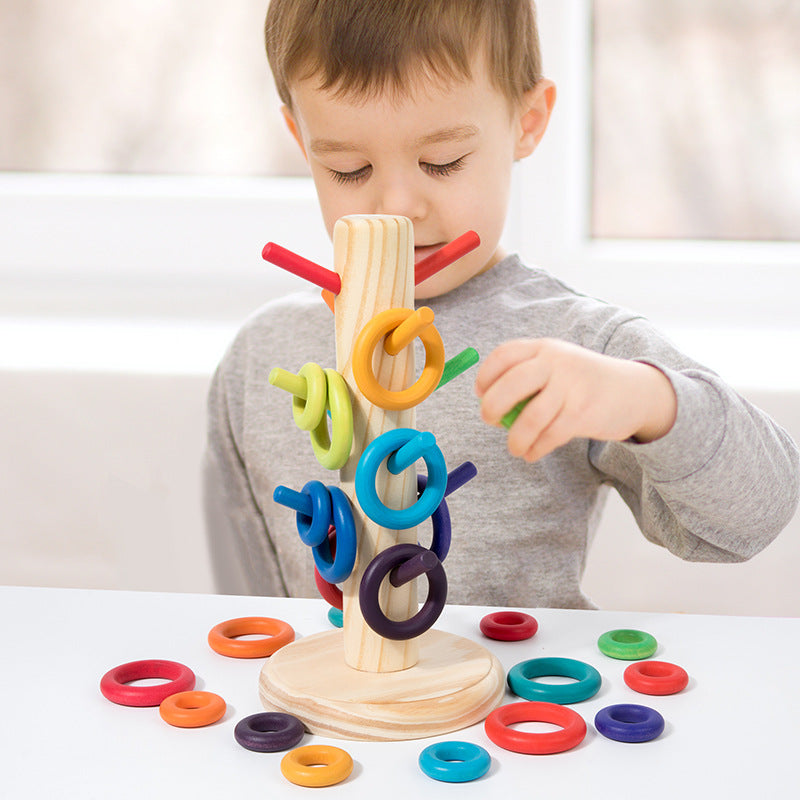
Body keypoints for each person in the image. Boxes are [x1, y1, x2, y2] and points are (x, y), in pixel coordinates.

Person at [203, 0, 799, 608]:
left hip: (524, 701)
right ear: (302, 141)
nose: (398, 205)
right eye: (349, 169)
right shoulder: (261, 358)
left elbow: (763, 510)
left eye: (443, 162)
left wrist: (647, 402)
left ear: (527, 120)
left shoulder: (577, 342)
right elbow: (252, 607)